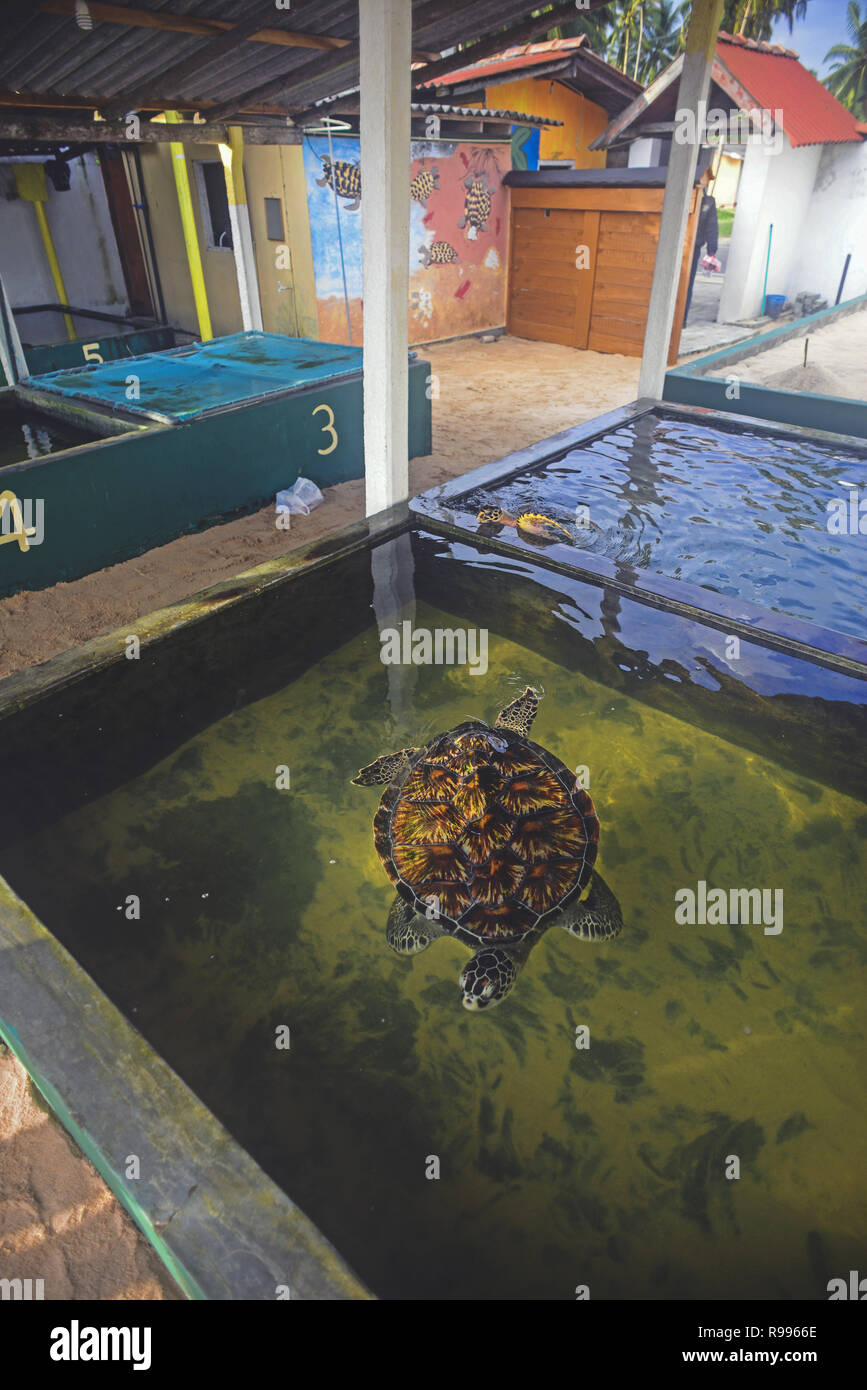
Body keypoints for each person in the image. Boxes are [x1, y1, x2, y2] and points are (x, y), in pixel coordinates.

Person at [683, 167, 719, 324]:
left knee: (686, 284)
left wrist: (712, 251)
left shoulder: (708, 202)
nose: (704, 181)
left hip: (693, 249)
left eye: (707, 179)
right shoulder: (684, 197)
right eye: (703, 178)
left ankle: (681, 320)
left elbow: (712, 227)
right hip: (676, 246)